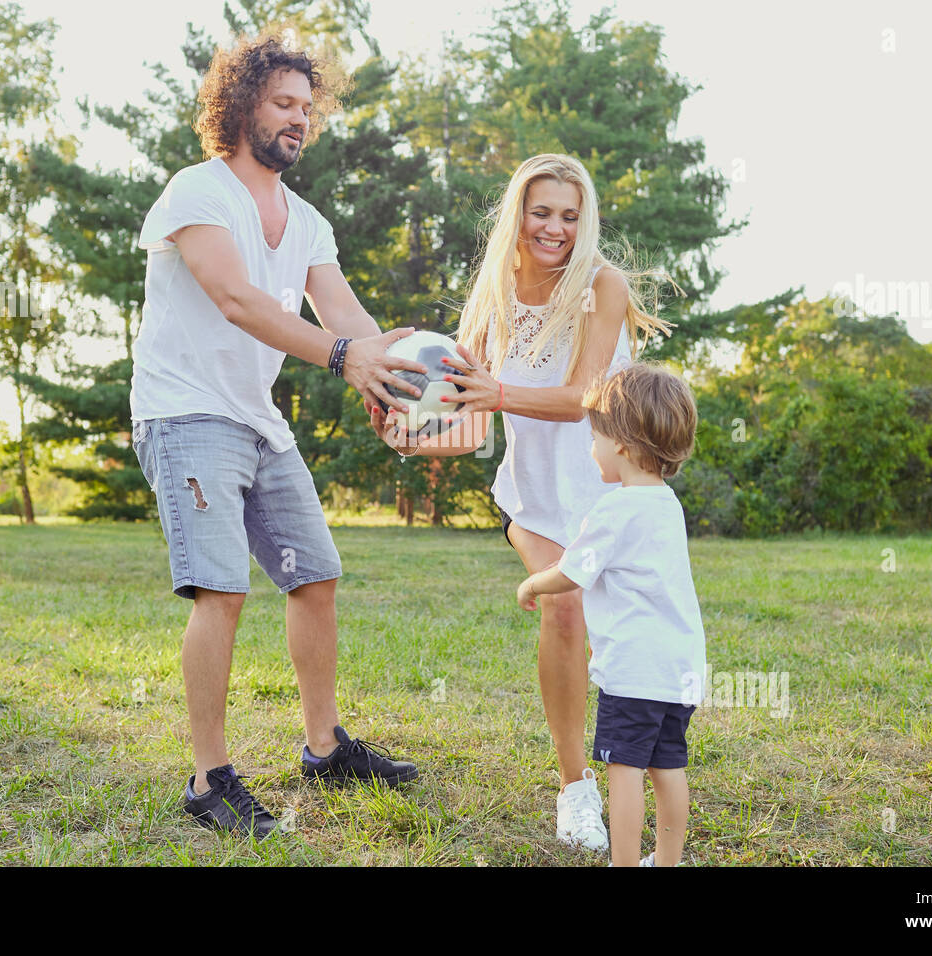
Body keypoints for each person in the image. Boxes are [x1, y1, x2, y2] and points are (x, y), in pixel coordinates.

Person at [131, 32, 426, 838]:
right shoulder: (197, 191)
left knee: (315, 578)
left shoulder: (308, 223)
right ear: (241, 107)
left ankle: (325, 748)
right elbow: (236, 300)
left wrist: (393, 369)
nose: (299, 119)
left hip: (259, 421)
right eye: (283, 104)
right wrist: (344, 358)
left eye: (307, 108)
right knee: (222, 591)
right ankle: (208, 779)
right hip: (187, 413)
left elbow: (348, 318)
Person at [372, 154, 676, 851]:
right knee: (563, 608)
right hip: (533, 495)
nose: (556, 228)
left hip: (611, 492)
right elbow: (467, 414)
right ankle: (576, 788)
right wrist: (409, 437)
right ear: (519, 213)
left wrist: (498, 394)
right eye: (543, 211)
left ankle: (649, 774)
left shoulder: (601, 283)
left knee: (631, 642)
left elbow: (584, 397)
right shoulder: (494, 291)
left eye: (570, 215)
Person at [515, 362, 706, 867]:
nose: (592, 448)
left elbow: (571, 575)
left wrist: (533, 582)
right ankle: (665, 862)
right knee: (668, 767)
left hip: (633, 671)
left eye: (595, 437)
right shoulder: (668, 505)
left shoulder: (613, 510)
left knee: (624, 772)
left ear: (620, 444)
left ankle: (624, 862)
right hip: (679, 667)